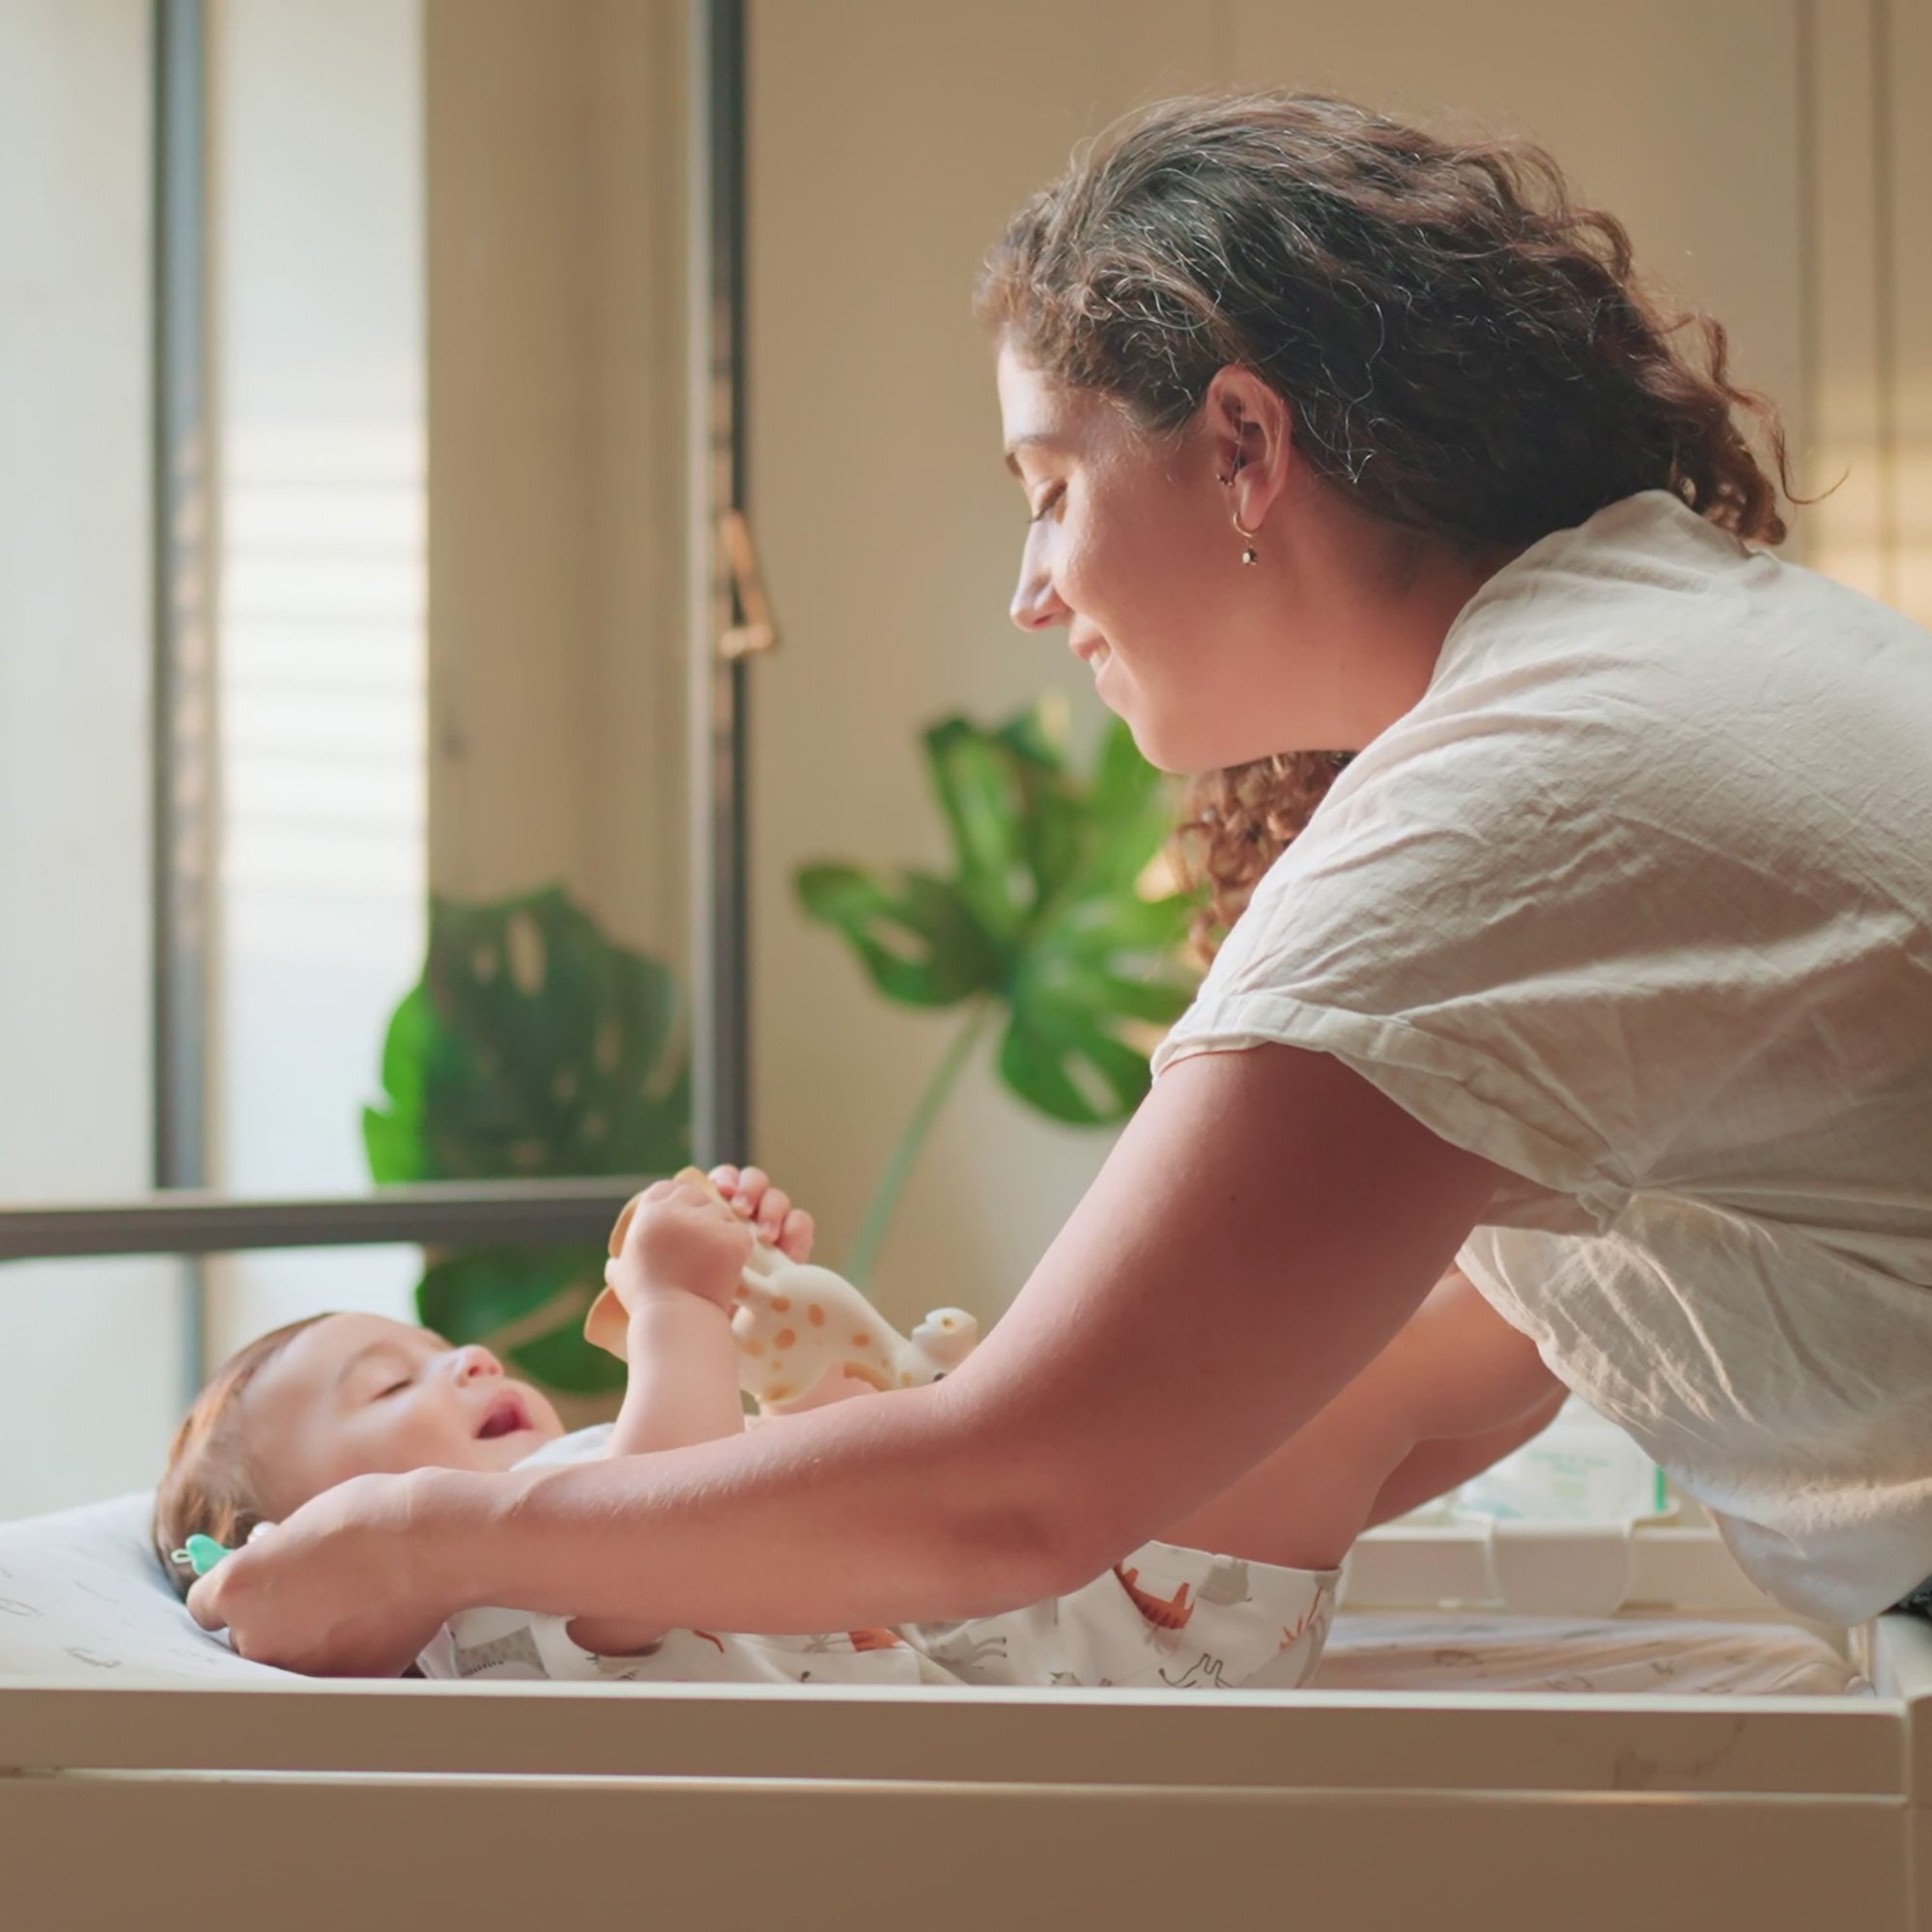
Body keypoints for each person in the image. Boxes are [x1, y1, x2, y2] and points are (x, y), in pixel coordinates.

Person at [190, 88, 1932, 1674]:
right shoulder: (1644, 645)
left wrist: (432, 1537)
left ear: (1245, 449)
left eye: (1046, 488)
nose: (1036, 590)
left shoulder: (1516, 805)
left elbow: (1011, 1494)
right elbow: (1451, 1361)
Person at [156, 1168, 1345, 1690]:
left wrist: (772, 1320)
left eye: (437, 1347)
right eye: (385, 1389)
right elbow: (654, 1522)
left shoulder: (523, 1511)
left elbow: (785, 1498)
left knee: (1382, 1363)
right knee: (1355, 1353)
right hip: (1106, 1635)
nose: (464, 1355)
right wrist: (677, 1307)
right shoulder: (481, 1623)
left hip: (1090, 1595)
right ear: (314, 1541)